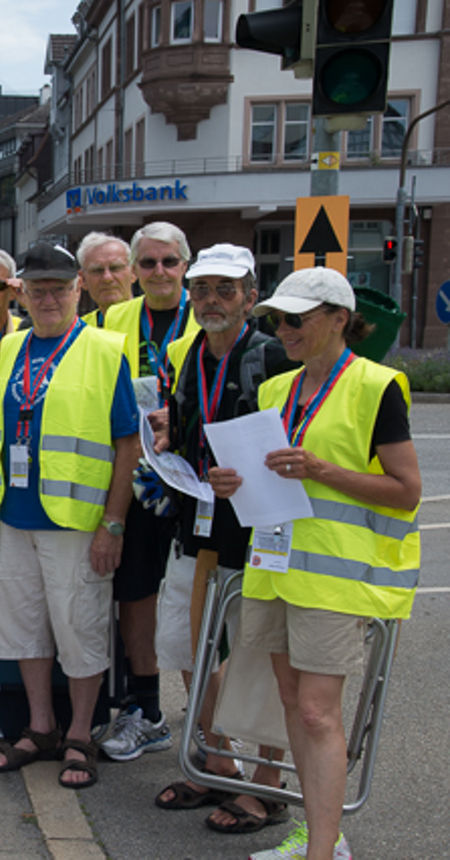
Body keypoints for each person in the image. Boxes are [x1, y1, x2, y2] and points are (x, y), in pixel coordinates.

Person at [210, 268, 420, 860]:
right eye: (279, 319)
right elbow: (261, 477)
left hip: (339, 576)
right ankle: (320, 836)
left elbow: (406, 490)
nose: (284, 330)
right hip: (277, 567)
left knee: (315, 711)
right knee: (292, 704)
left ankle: (322, 851)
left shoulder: (378, 386)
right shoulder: (278, 389)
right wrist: (228, 482)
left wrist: (321, 469)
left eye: (296, 320)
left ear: (337, 320)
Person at [0, 241, 138, 790]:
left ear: (78, 290)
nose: (48, 298)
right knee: (24, 630)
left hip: (77, 520)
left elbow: (127, 443)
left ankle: (80, 734)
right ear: (23, 292)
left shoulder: (106, 349)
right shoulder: (14, 347)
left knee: (79, 629)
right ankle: (41, 726)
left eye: (59, 288)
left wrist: (113, 522)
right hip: (17, 515)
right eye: (37, 288)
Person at [146, 245, 295, 832]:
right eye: (202, 288)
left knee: (255, 659)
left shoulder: (274, 357)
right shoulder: (188, 355)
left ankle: (265, 784)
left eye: (225, 290)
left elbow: (294, 445)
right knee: (191, 649)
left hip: (257, 535)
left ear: (250, 298)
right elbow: (190, 431)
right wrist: (167, 434)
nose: (211, 300)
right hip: (197, 526)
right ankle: (215, 762)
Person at [99, 221, 202, 763]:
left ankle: (206, 721)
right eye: (148, 263)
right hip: (136, 476)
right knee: (135, 594)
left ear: (185, 266)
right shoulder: (115, 317)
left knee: (192, 601)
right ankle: (147, 710)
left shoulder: (205, 312)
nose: (158, 272)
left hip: (194, 480)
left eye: (169, 261)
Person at [76, 232, 134, 327]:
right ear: (83, 280)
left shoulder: (156, 321)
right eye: (97, 270)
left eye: (115, 268)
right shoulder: (78, 331)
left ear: (134, 272)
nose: (107, 278)